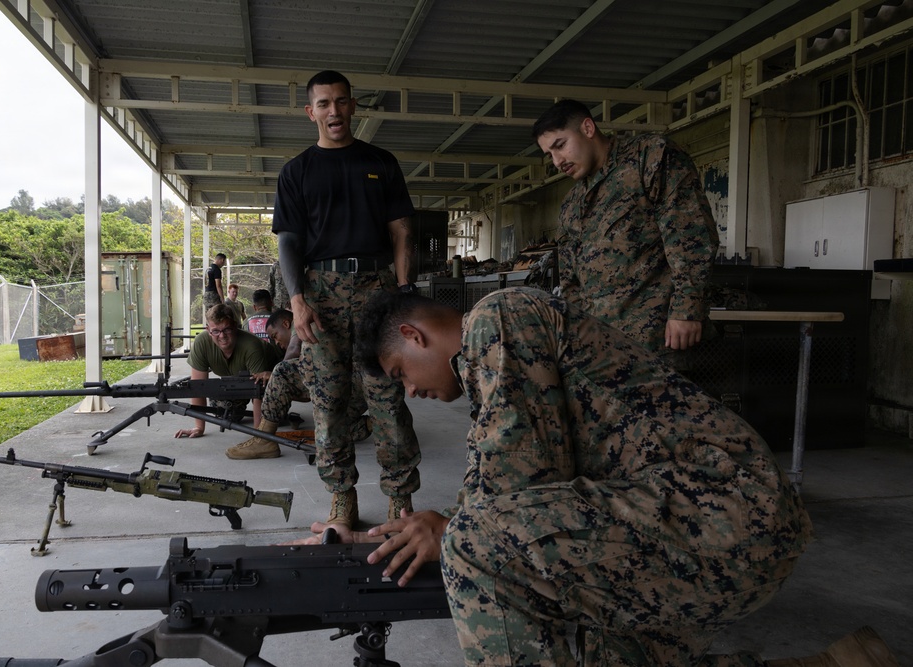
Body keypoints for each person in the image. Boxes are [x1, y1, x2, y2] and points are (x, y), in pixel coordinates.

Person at [292, 287, 818, 667]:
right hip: (721, 535)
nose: (409, 391)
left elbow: (516, 479)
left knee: (475, 542)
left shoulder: (497, 317)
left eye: (400, 373)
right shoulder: (494, 381)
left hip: (724, 509)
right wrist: (372, 542)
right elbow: (503, 479)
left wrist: (447, 528)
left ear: (413, 336)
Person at [271, 69, 422, 528]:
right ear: (310, 112)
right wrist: (297, 300)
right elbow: (289, 243)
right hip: (322, 292)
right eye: (323, 103)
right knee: (329, 399)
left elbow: (401, 231)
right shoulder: (296, 171)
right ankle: (342, 497)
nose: (333, 111)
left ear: (352, 106)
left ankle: (400, 497)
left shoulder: (381, 161)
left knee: (386, 395)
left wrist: (403, 293)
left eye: (341, 101)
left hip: (378, 288)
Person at [532, 99, 718, 356]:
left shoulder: (649, 157)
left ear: (587, 128)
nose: (557, 161)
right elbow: (570, 281)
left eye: (560, 146)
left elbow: (690, 234)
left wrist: (687, 310)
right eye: (549, 154)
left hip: (659, 342)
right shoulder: (572, 204)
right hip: (599, 348)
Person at [232, 309, 372, 459]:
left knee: (282, 372)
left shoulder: (299, 323)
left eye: (275, 336)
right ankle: (375, 423)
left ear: (286, 323)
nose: (277, 343)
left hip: (348, 384)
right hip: (359, 391)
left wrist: (273, 377)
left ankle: (265, 439)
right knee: (332, 430)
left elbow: (293, 349)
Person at [174, 303, 282, 459]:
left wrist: (260, 437)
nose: (222, 336)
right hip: (237, 379)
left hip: (272, 379)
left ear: (236, 327)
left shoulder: (251, 346)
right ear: (208, 331)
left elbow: (258, 392)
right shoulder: (202, 342)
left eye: (227, 330)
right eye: (216, 331)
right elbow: (198, 387)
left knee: (273, 414)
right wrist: (199, 427)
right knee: (226, 414)